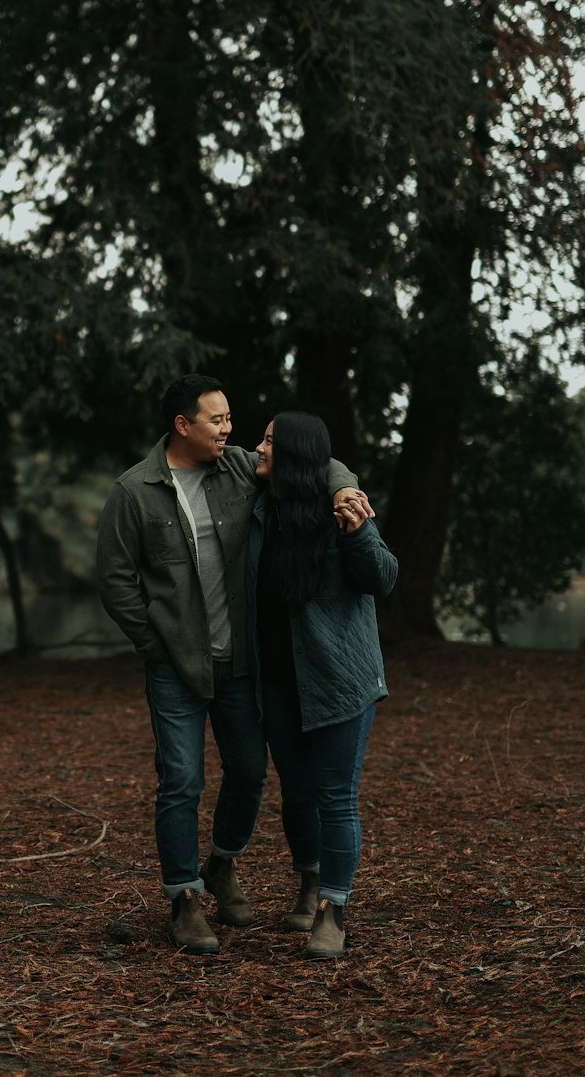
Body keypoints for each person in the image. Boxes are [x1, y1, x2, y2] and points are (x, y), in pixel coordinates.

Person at [96, 375, 371, 954]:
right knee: (181, 780)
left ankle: (221, 865)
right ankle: (184, 899)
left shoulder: (241, 468)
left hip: (240, 662)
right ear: (182, 426)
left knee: (248, 771)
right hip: (175, 665)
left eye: (229, 419)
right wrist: (153, 642)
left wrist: (344, 490)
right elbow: (116, 580)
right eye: (217, 420)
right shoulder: (135, 492)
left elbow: (317, 462)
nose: (229, 430)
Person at [248, 411, 398, 960]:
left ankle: (333, 910)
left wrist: (357, 527)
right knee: (296, 790)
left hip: (340, 680)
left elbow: (383, 578)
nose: (255, 449)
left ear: (292, 457)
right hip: (279, 682)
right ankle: (309, 882)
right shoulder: (261, 503)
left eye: (267, 441)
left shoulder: (343, 513)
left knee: (335, 796)